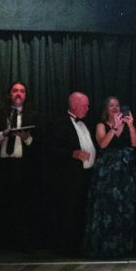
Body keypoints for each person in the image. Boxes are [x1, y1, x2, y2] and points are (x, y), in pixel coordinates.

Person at [84, 96, 136, 259]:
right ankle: (106, 247)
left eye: (117, 105)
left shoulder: (127, 124)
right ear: (106, 109)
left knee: (125, 206)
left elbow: (135, 143)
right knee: (108, 207)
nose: (115, 108)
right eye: (111, 105)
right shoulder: (101, 125)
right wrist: (114, 128)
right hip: (107, 172)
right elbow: (102, 144)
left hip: (125, 171)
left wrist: (130, 126)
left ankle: (124, 247)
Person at [0, 81, 38, 251]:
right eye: (15, 91)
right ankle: (1, 243)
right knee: (1, 203)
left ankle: (23, 243)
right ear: (10, 94)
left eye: (22, 91)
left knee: (22, 205)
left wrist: (26, 138)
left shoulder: (33, 114)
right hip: (1, 165)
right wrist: (2, 134)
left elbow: (40, 144)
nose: (18, 94)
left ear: (26, 95)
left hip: (23, 166)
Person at [46, 91, 96, 254]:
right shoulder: (60, 122)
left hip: (85, 175)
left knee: (80, 211)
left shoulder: (84, 123)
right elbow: (51, 149)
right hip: (69, 178)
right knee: (69, 212)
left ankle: (78, 245)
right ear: (74, 105)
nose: (88, 108)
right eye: (85, 105)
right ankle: (68, 248)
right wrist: (72, 154)